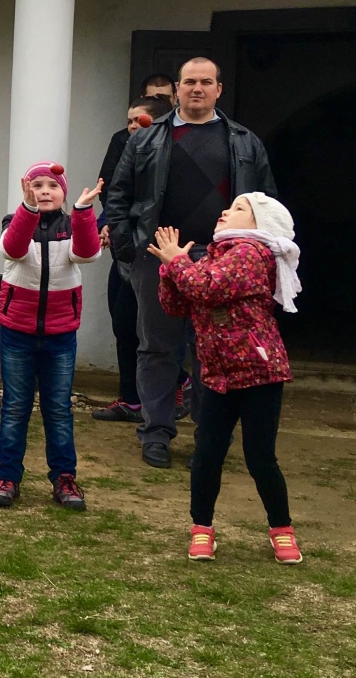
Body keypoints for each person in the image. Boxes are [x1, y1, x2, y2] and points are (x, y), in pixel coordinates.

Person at [105, 57, 276, 470]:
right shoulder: (145, 139)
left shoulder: (245, 141)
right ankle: (156, 433)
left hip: (221, 260)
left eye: (206, 82)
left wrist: (261, 253)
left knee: (212, 349)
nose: (197, 88)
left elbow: (265, 202)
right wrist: (129, 248)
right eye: (189, 82)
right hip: (158, 255)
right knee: (156, 347)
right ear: (177, 89)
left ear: (219, 89)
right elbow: (119, 195)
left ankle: (209, 437)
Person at [149, 193, 303, 564]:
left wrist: (179, 262)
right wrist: (170, 269)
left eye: (238, 209)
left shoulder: (251, 253)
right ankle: (201, 528)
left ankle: (281, 529)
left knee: (260, 457)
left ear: (259, 223)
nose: (225, 211)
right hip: (218, 375)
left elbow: (207, 288)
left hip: (259, 374)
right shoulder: (214, 256)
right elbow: (177, 304)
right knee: (207, 454)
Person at [0, 164, 103, 511]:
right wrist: (27, 210)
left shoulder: (72, 225)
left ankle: (64, 478)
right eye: (36, 185)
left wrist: (83, 212)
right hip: (17, 333)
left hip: (60, 335)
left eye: (52, 186)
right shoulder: (14, 221)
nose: (44, 191)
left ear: (63, 193)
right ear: (27, 191)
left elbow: (87, 253)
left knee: (58, 409)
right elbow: (12, 249)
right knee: (15, 408)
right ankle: (8, 477)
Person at [92, 95, 171, 423]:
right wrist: (109, 225)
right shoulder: (124, 148)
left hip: (157, 252)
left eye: (138, 120)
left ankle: (172, 391)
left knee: (152, 331)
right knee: (123, 323)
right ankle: (131, 400)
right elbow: (113, 195)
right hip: (126, 252)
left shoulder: (170, 155)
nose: (131, 127)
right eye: (128, 121)